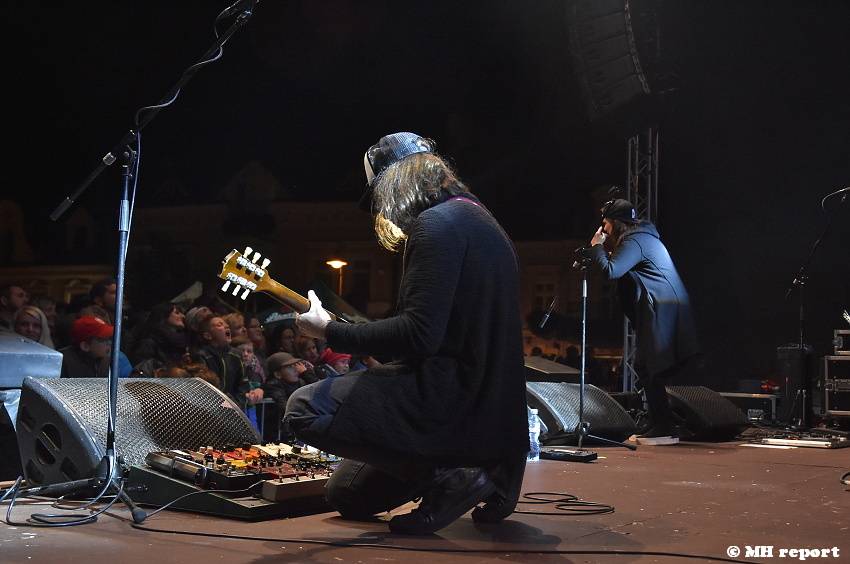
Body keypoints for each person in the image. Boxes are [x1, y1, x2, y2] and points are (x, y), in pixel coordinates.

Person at [286, 132, 528, 535]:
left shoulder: (435, 225)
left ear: (392, 181)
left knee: (305, 407)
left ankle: (449, 475)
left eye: (377, 194)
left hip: (450, 402)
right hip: (494, 417)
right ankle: (484, 469)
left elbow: (420, 334)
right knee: (348, 494)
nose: (379, 209)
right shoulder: (482, 220)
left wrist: (328, 331)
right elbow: (452, 334)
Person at [581, 198, 700, 445]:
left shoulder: (635, 240)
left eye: (605, 223)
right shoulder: (644, 237)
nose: (603, 228)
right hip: (667, 306)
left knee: (648, 366)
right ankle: (662, 422)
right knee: (648, 366)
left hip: (664, 307)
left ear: (615, 222)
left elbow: (612, 270)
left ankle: (664, 425)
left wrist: (596, 247)